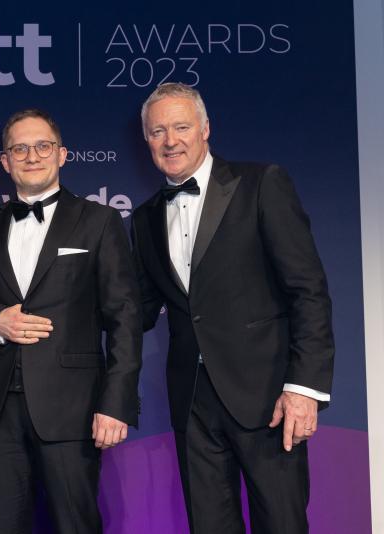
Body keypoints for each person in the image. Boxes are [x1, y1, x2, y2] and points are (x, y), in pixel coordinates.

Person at [131, 82, 334, 533]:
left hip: (268, 397)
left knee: (281, 523)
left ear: (206, 129)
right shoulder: (144, 218)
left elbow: (308, 290)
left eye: (181, 127)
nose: (170, 140)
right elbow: (138, 309)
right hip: (192, 402)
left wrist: (304, 387)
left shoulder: (262, 183)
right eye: (157, 131)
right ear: (146, 140)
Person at [0, 109, 143, 533]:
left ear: (62, 155)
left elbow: (125, 318)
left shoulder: (99, 221)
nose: (32, 156)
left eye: (43, 146)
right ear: (4, 161)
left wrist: (115, 404)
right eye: (19, 148)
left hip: (73, 410)